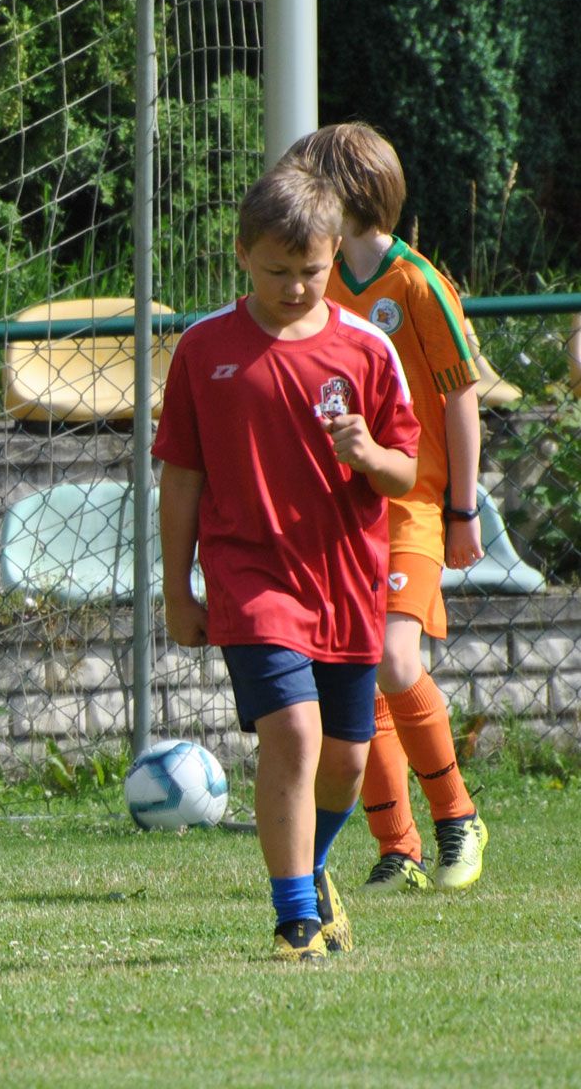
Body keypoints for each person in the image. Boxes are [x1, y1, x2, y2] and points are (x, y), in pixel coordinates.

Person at [155, 163, 420, 962]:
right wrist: (178, 588)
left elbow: (408, 473)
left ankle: (312, 869)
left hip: (344, 580)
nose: (297, 287)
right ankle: (295, 920)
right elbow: (182, 478)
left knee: (346, 760)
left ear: (333, 253)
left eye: (311, 271)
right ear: (242, 256)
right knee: (296, 737)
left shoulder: (366, 349)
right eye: (278, 272)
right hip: (251, 578)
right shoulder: (205, 350)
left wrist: (370, 453)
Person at [285, 122, 490, 892]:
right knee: (354, 669)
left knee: (394, 658)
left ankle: (457, 817)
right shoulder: (320, 280)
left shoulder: (417, 285)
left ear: (347, 197)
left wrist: (463, 510)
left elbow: (461, 398)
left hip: (414, 502)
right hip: (344, 511)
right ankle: (396, 844)